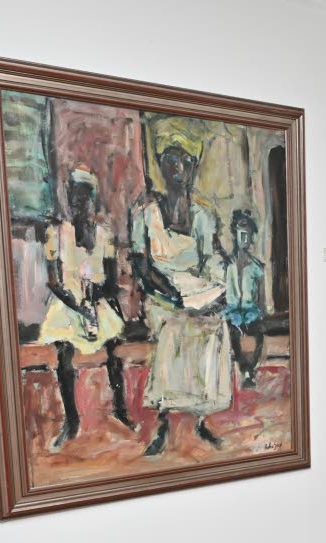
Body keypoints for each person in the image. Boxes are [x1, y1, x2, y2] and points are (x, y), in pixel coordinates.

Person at [128, 129, 234, 456]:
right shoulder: (146, 213)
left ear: (193, 167)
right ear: (161, 166)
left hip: (193, 290)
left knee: (214, 324)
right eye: (170, 161)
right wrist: (173, 297)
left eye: (184, 162)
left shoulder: (203, 215)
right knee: (176, 326)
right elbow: (142, 269)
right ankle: (163, 420)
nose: (177, 169)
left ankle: (201, 416)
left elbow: (212, 260)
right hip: (162, 295)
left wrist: (216, 291)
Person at [37, 164, 136, 450]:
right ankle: (71, 420)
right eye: (74, 196)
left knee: (114, 347)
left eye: (84, 196)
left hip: (95, 302)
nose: (79, 202)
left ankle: (119, 407)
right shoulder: (56, 234)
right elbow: (54, 282)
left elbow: (112, 280)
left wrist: (98, 297)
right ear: (69, 198)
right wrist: (77, 305)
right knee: (64, 353)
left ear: (92, 199)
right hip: (68, 304)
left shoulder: (104, 236)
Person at [222, 209, 267, 388]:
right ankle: (243, 368)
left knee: (257, 332)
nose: (244, 239)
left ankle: (250, 370)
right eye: (241, 235)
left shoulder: (257, 267)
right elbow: (223, 293)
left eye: (248, 235)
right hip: (232, 310)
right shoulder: (228, 265)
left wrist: (258, 312)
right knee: (233, 332)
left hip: (250, 310)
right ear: (234, 235)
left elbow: (261, 298)